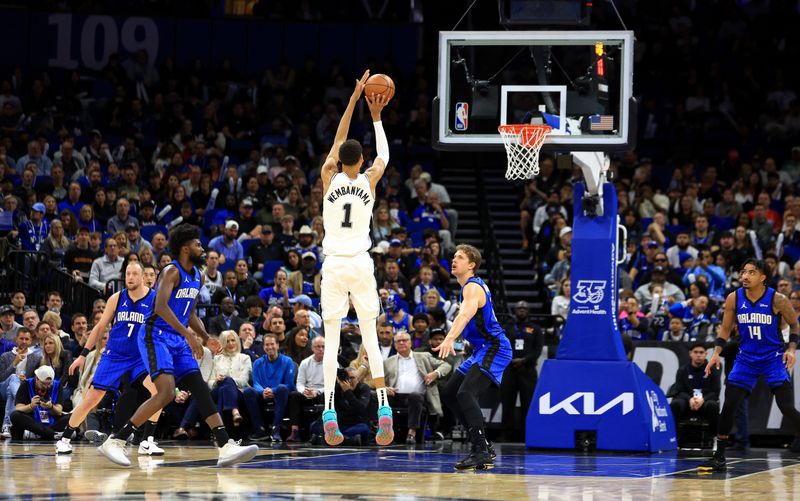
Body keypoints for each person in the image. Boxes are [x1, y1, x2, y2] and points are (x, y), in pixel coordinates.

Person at [97, 224, 257, 467]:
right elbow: (160, 306)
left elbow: (189, 312)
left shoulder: (198, 276)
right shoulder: (172, 271)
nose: (202, 249)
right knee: (166, 392)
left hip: (177, 339)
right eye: (197, 245)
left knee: (199, 387)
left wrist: (204, 336)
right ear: (185, 248)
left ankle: (225, 446)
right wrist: (189, 336)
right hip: (155, 335)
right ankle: (116, 441)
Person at [318, 70, 394, 446]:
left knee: (331, 340)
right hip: (361, 264)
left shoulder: (329, 176)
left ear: (339, 160)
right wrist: (376, 115)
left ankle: (328, 410)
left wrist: (353, 98)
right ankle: (384, 407)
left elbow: (338, 141)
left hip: (333, 266)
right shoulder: (369, 180)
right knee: (369, 337)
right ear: (361, 159)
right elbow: (384, 155)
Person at [699, 259, 800, 471]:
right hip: (746, 359)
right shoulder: (734, 298)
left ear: (763, 277)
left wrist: (791, 349)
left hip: (772, 358)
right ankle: (719, 456)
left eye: (751, 272)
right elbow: (725, 330)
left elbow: (794, 324)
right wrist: (716, 352)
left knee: (787, 407)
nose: (745, 276)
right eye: (743, 271)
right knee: (729, 406)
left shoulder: (778, 299)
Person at [55, 262, 163, 456]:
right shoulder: (116, 298)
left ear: (143, 277)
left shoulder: (155, 299)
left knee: (159, 393)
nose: (130, 277)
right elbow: (100, 327)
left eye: (134, 274)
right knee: (91, 399)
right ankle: (64, 439)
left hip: (140, 356)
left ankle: (148, 441)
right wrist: (83, 355)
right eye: (127, 274)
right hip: (115, 354)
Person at [435, 244, 511, 470]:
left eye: (459, 257)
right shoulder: (467, 288)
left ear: (471, 265)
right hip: (481, 349)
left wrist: (449, 338)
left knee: (466, 392)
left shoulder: (472, 287)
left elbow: (466, 315)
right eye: (453, 257)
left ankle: (480, 451)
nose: (454, 260)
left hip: (495, 347)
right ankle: (483, 445)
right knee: (450, 393)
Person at [668, 342, 720, 440]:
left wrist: (703, 399)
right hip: (688, 402)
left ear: (706, 354)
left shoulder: (713, 371)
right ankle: (673, 437)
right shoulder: (682, 370)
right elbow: (679, 390)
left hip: (705, 403)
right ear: (690, 353)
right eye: (695, 352)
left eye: (701, 352)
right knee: (675, 404)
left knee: (713, 405)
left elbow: (715, 392)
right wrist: (690, 399)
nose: (698, 355)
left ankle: (714, 437)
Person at [9, 365, 68, 440]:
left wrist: (51, 407)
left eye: (49, 384)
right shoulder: (26, 384)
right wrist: (31, 406)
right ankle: (51, 433)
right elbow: (19, 407)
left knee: (72, 416)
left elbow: (59, 411)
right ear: (37, 379)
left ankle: (39, 433)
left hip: (50, 418)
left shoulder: (57, 385)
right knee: (15, 415)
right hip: (32, 418)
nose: (47, 386)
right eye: (44, 384)